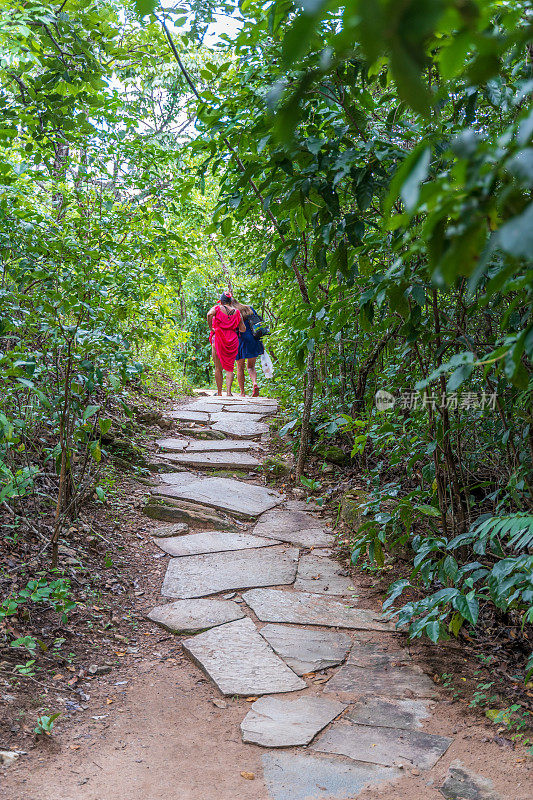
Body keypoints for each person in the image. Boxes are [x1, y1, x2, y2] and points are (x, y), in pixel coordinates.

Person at [207, 292, 245, 396]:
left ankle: (219, 392)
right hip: (232, 340)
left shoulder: (217, 308)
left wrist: (211, 328)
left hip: (218, 338)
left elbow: (209, 314)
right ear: (230, 301)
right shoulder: (237, 312)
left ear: (221, 301)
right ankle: (228, 392)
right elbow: (243, 329)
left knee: (218, 367)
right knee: (229, 367)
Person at [231, 298, 264, 397]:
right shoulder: (249, 309)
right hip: (253, 339)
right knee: (251, 367)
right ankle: (255, 383)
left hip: (240, 340)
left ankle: (242, 392)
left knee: (240, 367)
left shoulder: (233, 312)